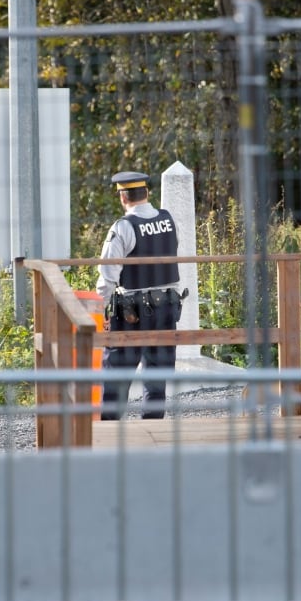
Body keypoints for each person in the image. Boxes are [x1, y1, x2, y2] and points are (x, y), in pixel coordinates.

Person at [96, 170, 183, 420]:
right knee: (156, 379)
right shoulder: (169, 220)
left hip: (131, 312)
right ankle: (152, 438)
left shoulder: (123, 227)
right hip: (166, 307)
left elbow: (108, 276)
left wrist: (99, 310)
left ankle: (109, 436)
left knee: (116, 378)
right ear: (146, 192)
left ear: (123, 197)